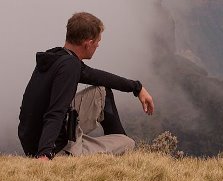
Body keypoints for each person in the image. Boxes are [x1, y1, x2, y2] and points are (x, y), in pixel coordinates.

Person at [18, 12, 154, 160]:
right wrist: (44, 154)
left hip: (34, 138)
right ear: (88, 43)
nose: (98, 45)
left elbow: (99, 77)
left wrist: (137, 88)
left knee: (102, 92)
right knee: (127, 143)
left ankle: (109, 144)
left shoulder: (57, 57)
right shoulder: (70, 67)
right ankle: (120, 157)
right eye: (97, 41)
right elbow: (56, 111)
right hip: (55, 147)